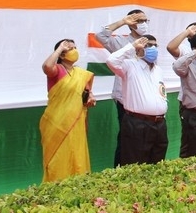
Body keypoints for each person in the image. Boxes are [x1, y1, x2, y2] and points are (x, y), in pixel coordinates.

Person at [95, 9, 150, 166]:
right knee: (127, 135)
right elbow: (100, 36)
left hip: (144, 96)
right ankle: (121, 170)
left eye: (146, 20)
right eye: (139, 21)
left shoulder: (150, 42)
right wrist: (122, 22)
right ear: (131, 24)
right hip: (125, 97)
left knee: (145, 135)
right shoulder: (120, 42)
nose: (144, 24)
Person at [106, 34, 168, 165]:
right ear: (139, 49)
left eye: (155, 45)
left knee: (157, 164)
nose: (153, 48)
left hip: (159, 124)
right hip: (138, 123)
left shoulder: (158, 70)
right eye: (148, 45)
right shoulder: (129, 65)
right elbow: (111, 60)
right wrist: (132, 46)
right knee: (134, 163)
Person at [40, 39, 96, 181]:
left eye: (74, 47)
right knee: (58, 159)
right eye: (69, 48)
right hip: (56, 123)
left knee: (77, 155)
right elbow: (47, 66)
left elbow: (87, 93)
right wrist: (59, 49)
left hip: (76, 122)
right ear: (62, 55)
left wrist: (90, 98)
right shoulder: (57, 70)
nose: (74, 51)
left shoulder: (82, 74)